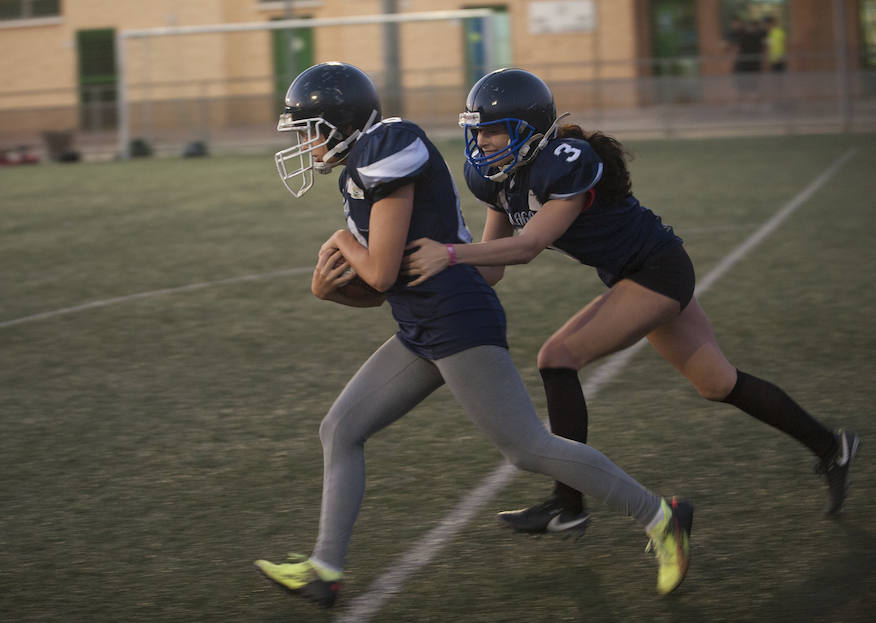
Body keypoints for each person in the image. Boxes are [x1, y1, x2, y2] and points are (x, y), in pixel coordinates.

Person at [253, 62, 694, 607]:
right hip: (422, 326)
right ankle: (325, 568)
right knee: (340, 428)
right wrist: (329, 291)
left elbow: (383, 272)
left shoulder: (392, 143)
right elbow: (385, 286)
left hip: (457, 319)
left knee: (526, 447)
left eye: (309, 130)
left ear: (340, 124)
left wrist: (343, 240)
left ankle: (659, 515)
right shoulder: (360, 168)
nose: (304, 143)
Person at [403, 67, 859, 538]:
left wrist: (450, 253)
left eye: (494, 131)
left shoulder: (565, 161)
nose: (483, 143)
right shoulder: (498, 180)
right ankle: (832, 447)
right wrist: (421, 269)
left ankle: (567, 504)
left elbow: (527, 247)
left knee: (557, 358)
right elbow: (492, 268)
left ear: (530, 130)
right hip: (632, 275)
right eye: (477, 132)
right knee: (717, 383)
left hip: (658, 270)